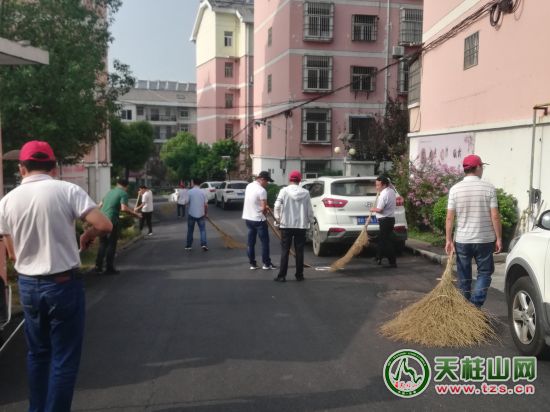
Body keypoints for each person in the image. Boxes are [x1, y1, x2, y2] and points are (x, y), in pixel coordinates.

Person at [0, 140, 112, 412]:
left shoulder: (7, 201)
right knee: (63, 357)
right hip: (62, 284)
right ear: (53, 167)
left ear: (22, 168)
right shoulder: (67, 190)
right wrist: (87, 234)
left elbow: (12, 254)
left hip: (28, 285)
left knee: (37, 354)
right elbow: (104, 224)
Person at [445, 154, 502, 307]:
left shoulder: (455, 189)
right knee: (484, 273)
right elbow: (495, 216)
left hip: (462, 240)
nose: (482, 169)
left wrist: (448, 240)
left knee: (464, 275)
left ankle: (465, 308)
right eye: (482, 166)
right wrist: (499, 238)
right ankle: (475, 306)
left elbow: (450, 218)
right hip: (485, 240)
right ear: (477, 168)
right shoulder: (489, 188)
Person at [273, 170, 314, 282]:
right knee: (299, 251)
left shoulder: (284, 191)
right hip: (301, 225)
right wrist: (311, 222)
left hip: (286, 225)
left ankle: (282, 276)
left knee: (285, 251)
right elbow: (309, 210)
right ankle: (299, 275)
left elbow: (277, 206)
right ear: (300, 180)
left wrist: (277, 219)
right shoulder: (306, 193)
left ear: (289, 179)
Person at [94, 179, 142, 274]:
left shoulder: (110, 192)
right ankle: (109, 268)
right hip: (111, 221)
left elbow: (99, 206)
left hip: (101, 220)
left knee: (103, 244)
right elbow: (124, 208)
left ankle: (98, 267)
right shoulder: (123, 193)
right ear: (126, 186)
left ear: (117, 184)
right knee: (111, 244)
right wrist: (136, 214)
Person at [242, 171, 276, 270]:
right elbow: (263, 208)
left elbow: (254, 201)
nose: (267, 183)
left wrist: (263, 207)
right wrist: (266, 211)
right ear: (262, 179)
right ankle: (266, 264)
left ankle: (252, 264)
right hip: (259, 219)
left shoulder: (249, 186)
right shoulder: (262, 190)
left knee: (251, 243)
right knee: (265, 242)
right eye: (267, 181)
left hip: (248, 218)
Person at [370, 175, 397, 268]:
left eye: (378, 185)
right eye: (376, 185)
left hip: (385, 220)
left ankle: (393, 262)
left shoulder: (383, 195)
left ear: (384, 185)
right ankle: (378, 257)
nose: (376, 187)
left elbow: (380, 210)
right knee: (382, 240)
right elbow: (391, 185)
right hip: (390, 220)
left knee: (386, 241)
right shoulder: (391, 191)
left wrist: (372, 209)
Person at [186, 178, 208, 251]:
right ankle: (204, 244)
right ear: (200, 183)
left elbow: (187, 202)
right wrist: (206, 213)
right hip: (201, 214)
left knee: (190, 230)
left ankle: (189, 246)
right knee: (202, 230)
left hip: (191, 213)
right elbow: (206, 205)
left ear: (193, 183)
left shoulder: (189, 192)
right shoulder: (203, 192)